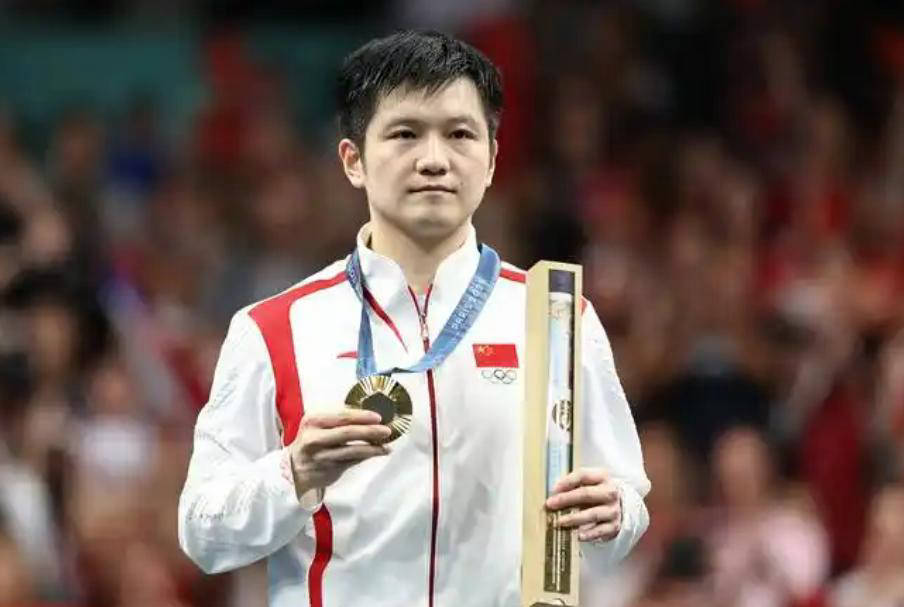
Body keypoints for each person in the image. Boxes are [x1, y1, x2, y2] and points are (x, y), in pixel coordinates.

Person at [178, 30, 650, 607]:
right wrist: (293, 473)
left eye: (460, 134)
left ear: (492, 159)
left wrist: (615, 514)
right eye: (405, 134)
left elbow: (625, 503)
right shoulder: (273, 329)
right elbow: (201, 532)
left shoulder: (557, 319)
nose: (433, 160)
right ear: (353, 160)